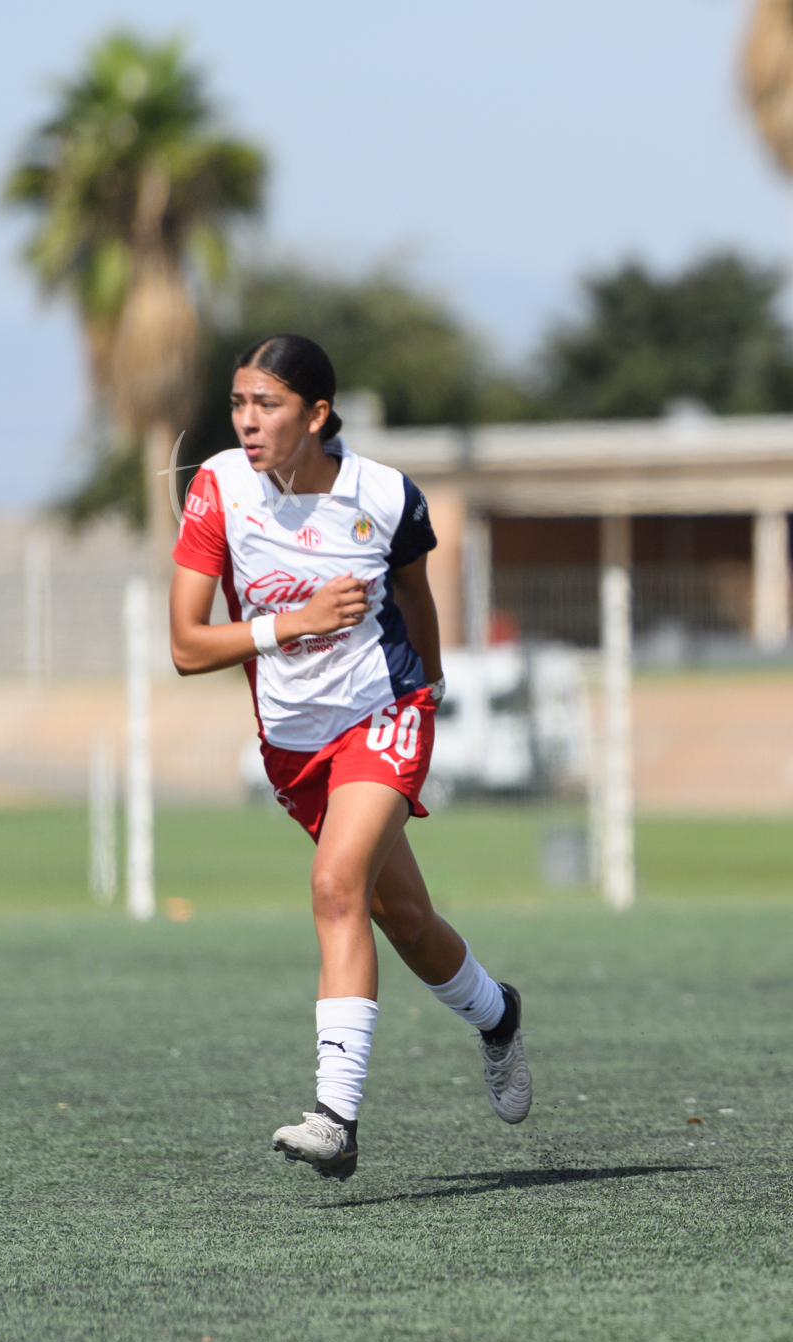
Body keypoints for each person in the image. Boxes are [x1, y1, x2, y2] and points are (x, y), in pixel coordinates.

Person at [168, 334, 534, 1181]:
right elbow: (187, 646)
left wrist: (431, 685)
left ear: (318, 415)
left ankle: (337, 1118)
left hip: (384, 711)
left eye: (268, 405)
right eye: (238, 403)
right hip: (294, 746)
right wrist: (292, 623)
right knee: (401, 919)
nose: (247, 422)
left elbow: (414, 593)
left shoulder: (386, 496)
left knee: (337, 885)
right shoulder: (218, 486)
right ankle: (498, 1014)